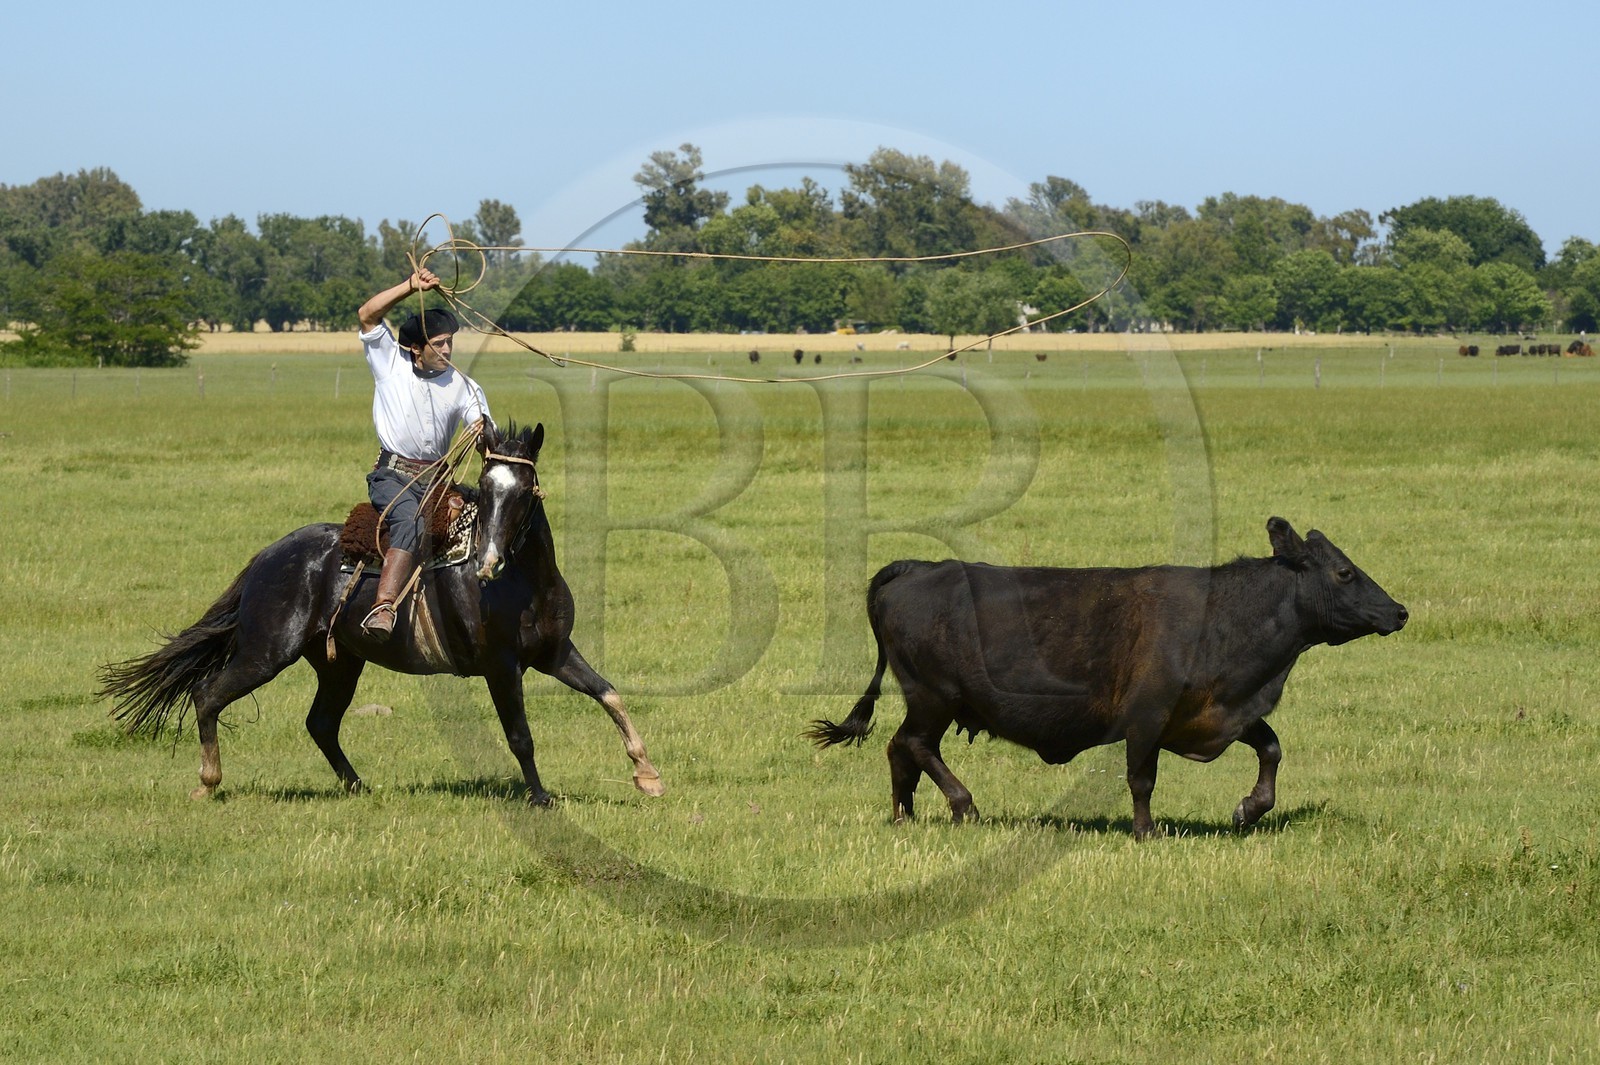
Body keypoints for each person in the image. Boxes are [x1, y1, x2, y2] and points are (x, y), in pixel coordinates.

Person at [354, 267, 492, 640]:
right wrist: (409, 286)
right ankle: (383, 606)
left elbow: (483, 432)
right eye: (439, 343)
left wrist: (482, 436)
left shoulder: (465, 385)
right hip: (392, 477)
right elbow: (367, 314)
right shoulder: (389, 364)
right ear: (416, 348)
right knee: (411, 521)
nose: (447, 350)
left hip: (438, 482)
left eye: (450, 342)